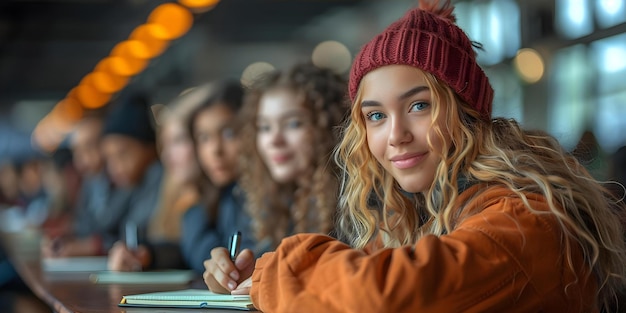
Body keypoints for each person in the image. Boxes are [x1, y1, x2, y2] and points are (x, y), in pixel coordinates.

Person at [216, 1, 626, 312]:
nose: (395, 136)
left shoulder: (525, 217)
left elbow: (384, 294)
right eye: (376, 115)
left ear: (466, 113)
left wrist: (277, 272)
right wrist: (251, 279)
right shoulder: (417, 212)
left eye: (419, 106)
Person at [202, 63, 347, 294]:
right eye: (264, 127)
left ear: (330, 127)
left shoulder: (355, 201)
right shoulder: (271, 199)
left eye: (293, 124)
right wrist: (234, 275)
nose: (274, 140)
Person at [43, 92, 163, 257]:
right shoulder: (129, 183)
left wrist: (95, 246)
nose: (116, 167)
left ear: (150, 148)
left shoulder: (157, 178)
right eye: (110, 158)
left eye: (123, 154)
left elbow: (132, 238)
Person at [107, 89, 202, 271]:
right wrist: (148, 255)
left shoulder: (215, 199)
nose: (166, 156)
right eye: (165, 144)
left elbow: (197, 253)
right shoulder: (172, 190)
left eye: (178, 141)